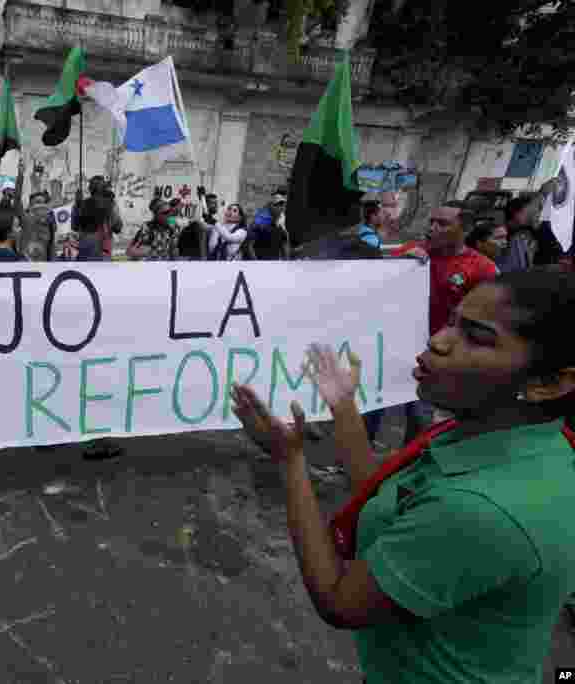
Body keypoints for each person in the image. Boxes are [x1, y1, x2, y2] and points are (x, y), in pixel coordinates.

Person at [231, 269, 575, 684]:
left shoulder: (481, 509)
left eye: (477, 337)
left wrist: (289, 460)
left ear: (549, 383)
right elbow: (383, 493)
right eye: (452, 321)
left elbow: (340, 600)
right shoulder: (512, 441)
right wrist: (343, 405)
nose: (438, 340)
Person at [393, 203, 498, 442]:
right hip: (393, 348)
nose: (432, 228)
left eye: (442, 223)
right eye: (431, 221)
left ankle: (409, 465)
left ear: (466, 229)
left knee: (421, 420)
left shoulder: (482, 268)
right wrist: (399, 265)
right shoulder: (410, 252)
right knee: (373, 409)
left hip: (438, 358)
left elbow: (487, 316)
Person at [244, 188, 290, 260]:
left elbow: (285, 248)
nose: (281, 207)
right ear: (270, 206)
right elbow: (249, 246)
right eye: (277, 205)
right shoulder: (258, 225)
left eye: (282, 205)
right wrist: (256, 263)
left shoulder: (281, 229)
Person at [16, 190, 55, 262]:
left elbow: (51, 248)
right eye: (38, 202)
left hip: (43, 267)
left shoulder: (49, 225)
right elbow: (17, 201)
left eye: (44, 202)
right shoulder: (26, 220)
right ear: (31, 206)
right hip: (27, 266)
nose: (42, 205)